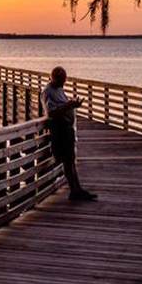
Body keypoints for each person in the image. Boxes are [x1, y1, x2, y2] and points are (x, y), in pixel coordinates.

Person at [42, 66, 96, 201]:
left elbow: (63, 106)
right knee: (67, 161)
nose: (64, 83)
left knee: (71, 160)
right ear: (55, 78)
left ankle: (77, 189)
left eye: (65, 80)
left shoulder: (58, 89)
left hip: (67, 128)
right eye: (62, 80)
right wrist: (68, 105)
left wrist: (73, 105)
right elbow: (51, 113)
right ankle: (74, 190)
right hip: (60, 130)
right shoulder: (48, 91)